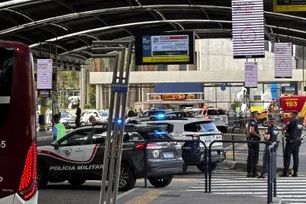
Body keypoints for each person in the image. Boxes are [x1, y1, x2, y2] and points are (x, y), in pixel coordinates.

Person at [280, 111, 303, 177]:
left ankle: (286, 172)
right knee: (296, 157)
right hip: (297, 141)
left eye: (291, 114)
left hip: (291, 141)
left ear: (294, 115)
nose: (290, 115)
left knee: (287, 156)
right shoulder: (300, 123)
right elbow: (300, 132)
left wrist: (284, 125)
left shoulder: (291, 122)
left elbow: (283, 129)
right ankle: (295, 172)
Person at [246, 111, 261, 177]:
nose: (258, 116)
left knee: (251, 156)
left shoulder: (250, 122)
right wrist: (258, 135)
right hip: (253, 141)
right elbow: (251, 131)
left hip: (251, 141)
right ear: (255, 115)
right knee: (253, 157)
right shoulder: (252, 122)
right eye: (258, 115)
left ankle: (251, 171)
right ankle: (252, 172)